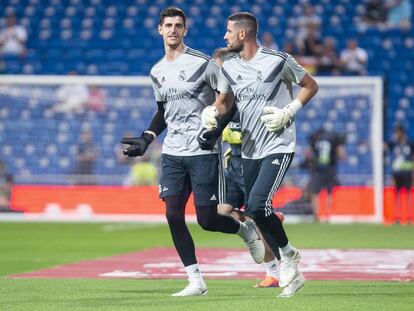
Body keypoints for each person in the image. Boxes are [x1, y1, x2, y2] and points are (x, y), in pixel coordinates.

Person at [120, 7, 265, 297]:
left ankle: (244, 229)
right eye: (168, 25)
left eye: (178, 25)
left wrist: (215, 129)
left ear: (185, 30)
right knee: (173, 215)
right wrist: (147, 139)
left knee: (207, 221)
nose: (173, 30)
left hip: (203, 152)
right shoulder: (157, 71)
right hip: (173, 153)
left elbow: (228, 102)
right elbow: (162, 112)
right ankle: (195, 280)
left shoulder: (203, 64)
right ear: (159, 30)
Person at [201, 12, 319, 297]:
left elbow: (310, 85)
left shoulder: (278, 61)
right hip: (249, 150)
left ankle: (287, 258)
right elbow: (225, 102)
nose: (225, 36)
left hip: (278, 144)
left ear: (243, 34)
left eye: (229, 31)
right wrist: (211, 112)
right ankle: (289, 258)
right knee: (257, 209)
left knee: (255, 205)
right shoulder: (229, 66)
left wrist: (288, 111)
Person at [211, 47, 283, 288]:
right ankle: (262, 222)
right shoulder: (220, 101)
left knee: (257, 216)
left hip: (253, 164)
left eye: (221, 69)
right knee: (221, 214)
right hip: (232, 169)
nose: (218, 74)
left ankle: (273, 273)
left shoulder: (250, 99)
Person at [302, 128, 346, 220]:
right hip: (331, 168)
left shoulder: (315, 137)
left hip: (318, 169)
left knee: (314, 192)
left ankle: (316, 215)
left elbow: (307, 153)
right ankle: (328, 215)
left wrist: (308, 161)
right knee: (329, 192)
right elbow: (341, 154)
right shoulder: (334, 137)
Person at [387, 124, 414, 223]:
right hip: (397, 173)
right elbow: (392, 159)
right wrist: (392, 175)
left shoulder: (410, 143)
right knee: (397, 196)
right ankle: (397, 217)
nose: (396, 134)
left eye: (397, 132)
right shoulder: (394, 144)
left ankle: (410, 218)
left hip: (407, 173)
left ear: (402, 133)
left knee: (409, 196)